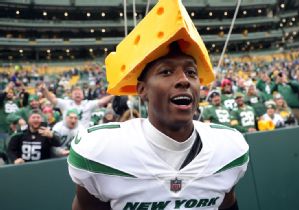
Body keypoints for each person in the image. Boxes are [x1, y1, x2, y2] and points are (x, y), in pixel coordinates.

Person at [67, 1, 249, 209]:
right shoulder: (100, 153)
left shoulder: (228, 148)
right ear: (142, 89)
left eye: (191, 72)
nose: (184, 80)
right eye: (166, 71)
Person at [40, 84, 114, 128]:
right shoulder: (66, 103)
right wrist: (45, 91)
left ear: (83, 95)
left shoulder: (88, 104)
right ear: (71, 95)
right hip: (68, 133)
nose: (77, 95)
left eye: (79, 93)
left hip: (83, 134)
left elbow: (102, 101)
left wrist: (114, 94)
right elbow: (53, 100)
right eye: (75, 93)